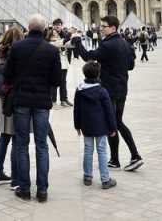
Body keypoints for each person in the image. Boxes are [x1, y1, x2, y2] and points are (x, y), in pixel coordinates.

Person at [3, 14, 61, 203]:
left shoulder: (17, 48)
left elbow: (7, 75)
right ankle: (42, 190)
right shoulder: (52, 50)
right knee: (41, 145)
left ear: (28, 27)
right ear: (44, 29)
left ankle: (25, 189)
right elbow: (56, 80)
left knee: (21, 145)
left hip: (21, 101)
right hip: (42, 103)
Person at [74, 15, 142, 172]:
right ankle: (120, 159)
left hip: (109, 90)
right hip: (122, 88)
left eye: (103, 26)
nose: (101, 29)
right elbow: (130, 66)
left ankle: (130, 156)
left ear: (113, 28)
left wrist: (77, 42)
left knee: (114, 123)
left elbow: (88, 57)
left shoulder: (107, 45)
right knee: (117, 122)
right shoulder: (125, 44)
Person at [74, 60, 118, 190]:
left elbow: (76, 109)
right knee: (102, 151)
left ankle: (87, 177)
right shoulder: (102, 91)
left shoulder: (79, 90)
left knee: (88, 150)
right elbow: (109, 111)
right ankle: (105, 179)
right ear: (98, 74)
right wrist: (113, 127)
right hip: (101, 126)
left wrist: (77, 125)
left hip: (86, 126)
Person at [0, 26, 23, 187]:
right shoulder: (19, 55)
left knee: (4, 137)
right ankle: (16, 179)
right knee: (16, 138)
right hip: (17, 100)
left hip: (3, 101)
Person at [47, 28, 72, 107]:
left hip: (64, 64)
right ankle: (53, 101)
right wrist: (69, 35)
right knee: (55, 82)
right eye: (53, 35)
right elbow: (61, 43)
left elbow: (70, 44)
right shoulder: (50, 43)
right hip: (56, 65)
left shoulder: (60, 41)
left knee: (63, 82)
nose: (56, 36)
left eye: (57, 35)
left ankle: (64, 99)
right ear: (50, 36)